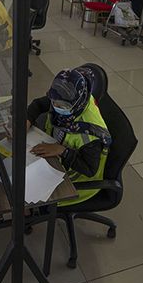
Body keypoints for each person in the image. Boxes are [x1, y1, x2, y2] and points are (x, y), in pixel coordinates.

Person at [26, 68, 112, 206]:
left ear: (77, 103)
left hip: (76, 182)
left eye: (62, 105)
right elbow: (39, 104)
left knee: (24, 188)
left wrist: (63, 151)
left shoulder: (91, 135)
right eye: (54, 102)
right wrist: (27, 119)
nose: (56, 106)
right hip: (56, 156)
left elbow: (89, 170)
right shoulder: (71, 97)